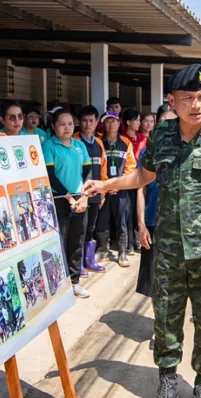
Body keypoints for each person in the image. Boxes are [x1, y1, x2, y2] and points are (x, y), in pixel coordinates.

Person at [82, 64, 201, 398]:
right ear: (172, 101)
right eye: (188, 98)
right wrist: (106, 184)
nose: (197, 105)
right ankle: (168, 380)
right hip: (169, 249)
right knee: (166, 318)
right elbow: (144, 174)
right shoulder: (161, 137)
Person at [135, 104, 178, 351]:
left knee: (177, 281)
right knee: (155, 281)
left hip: (180, 228)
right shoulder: (148, 153)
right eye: (164, 123)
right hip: (153, 223)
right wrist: (141, 224)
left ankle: (172, 325)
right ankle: (160, 327)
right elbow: (140, 189)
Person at [43, 109, 92, 299]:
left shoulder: (80, 146)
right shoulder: (49, 145)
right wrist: (70, 198)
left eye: (70, 124)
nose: (67, 128)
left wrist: (85, 196)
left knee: (77, 241)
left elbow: (88, 172)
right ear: (54, 126)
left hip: (80, 199)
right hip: (59, 200)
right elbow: (50, 176)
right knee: (59, 242)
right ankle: (58, 284)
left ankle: (75, 282)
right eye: (62, 124)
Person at [96, 111, 137, 268]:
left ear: (119, 124)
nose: (111, 124)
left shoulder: (126, 143)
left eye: (114, 121)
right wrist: (106, 186)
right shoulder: (99, 142)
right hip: (104, 190)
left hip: (121, 190)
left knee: (122, 221)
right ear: (103, 124)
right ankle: (103, 249)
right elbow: (97, 167)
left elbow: (131, 166)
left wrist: (118, 185)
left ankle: (122, 252)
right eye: (107, 121)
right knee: (102, 220)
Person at [73, 105, 107, 275]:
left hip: (95, 194)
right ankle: (77, 265)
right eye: (84, 121)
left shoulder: (99, 143)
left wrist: (103, 193)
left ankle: (89, 260)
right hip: (79, 195)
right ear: (79, 122)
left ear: (96, 123)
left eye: (91, 121)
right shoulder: (74, 141)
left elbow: (103, 170)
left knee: (91, 227)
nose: (88, 124)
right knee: (79, 229)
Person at [122, 108, 147, 254]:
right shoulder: (123, 139)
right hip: (129, 179)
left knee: (140, 209)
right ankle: (129, 243)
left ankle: (138, 239)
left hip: (143, 178)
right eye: (137, 120)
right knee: (128, 213)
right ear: (128, 122)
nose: (139, 123)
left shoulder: (143, 139)